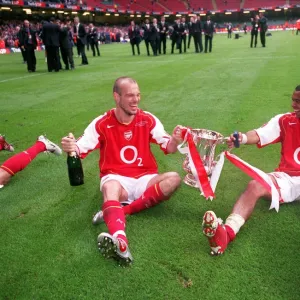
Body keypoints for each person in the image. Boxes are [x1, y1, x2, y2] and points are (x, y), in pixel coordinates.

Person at [61, 77, 183, 266]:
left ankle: (122, 210)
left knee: (174, 178)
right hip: (117, 179)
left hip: (145, 178)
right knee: (109, 187)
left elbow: (169, 147)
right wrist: (70, 146)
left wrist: (175, 139)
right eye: (129, 96)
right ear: (116, 97)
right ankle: (121, 243)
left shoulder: (147, 119)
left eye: (137, 95)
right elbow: (80, 148)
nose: (135, 100)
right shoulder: (102, 123)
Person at [202, 85, 300, 256]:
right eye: (293, 100)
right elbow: (259, 134)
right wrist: (242, 138)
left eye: (298, 102)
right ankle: (226, 234)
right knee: (255, 185)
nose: (293, 105)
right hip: (287, 178)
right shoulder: (285, 121)